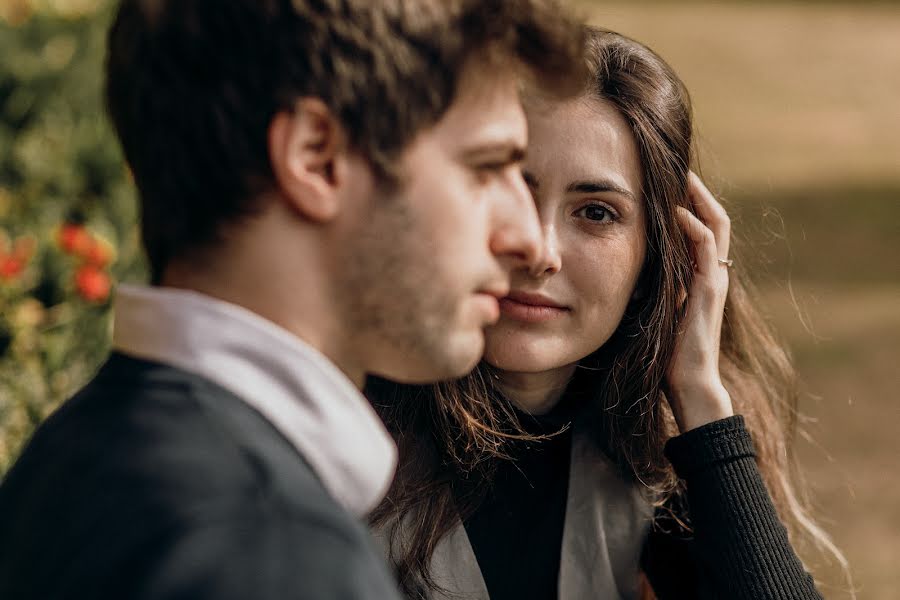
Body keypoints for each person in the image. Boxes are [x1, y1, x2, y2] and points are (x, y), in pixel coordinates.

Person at [0, 2, 587, 599]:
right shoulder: (273, 552)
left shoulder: (66, 457)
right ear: (317, 157)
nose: (527, 239)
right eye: (485, 168)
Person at [368, 28, 847, 599]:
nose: (541, 250)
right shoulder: (343, 430)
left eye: (595, 212)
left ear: (662, 255)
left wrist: (702, 405)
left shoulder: (656, 456)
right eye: (512, 189)